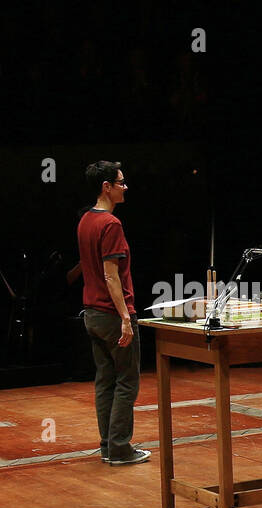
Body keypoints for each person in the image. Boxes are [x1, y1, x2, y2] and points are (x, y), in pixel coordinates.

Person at [78, 161, 149, 465]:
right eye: (121, 182)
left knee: (105, 380)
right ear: (106, 186)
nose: (125, 186)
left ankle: (108, 445)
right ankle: (120, 448)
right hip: (110, 314)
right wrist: (125, 318)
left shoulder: (84, 220)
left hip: (91, 313)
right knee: (126, 381)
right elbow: (111, 276)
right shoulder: (110, 224)